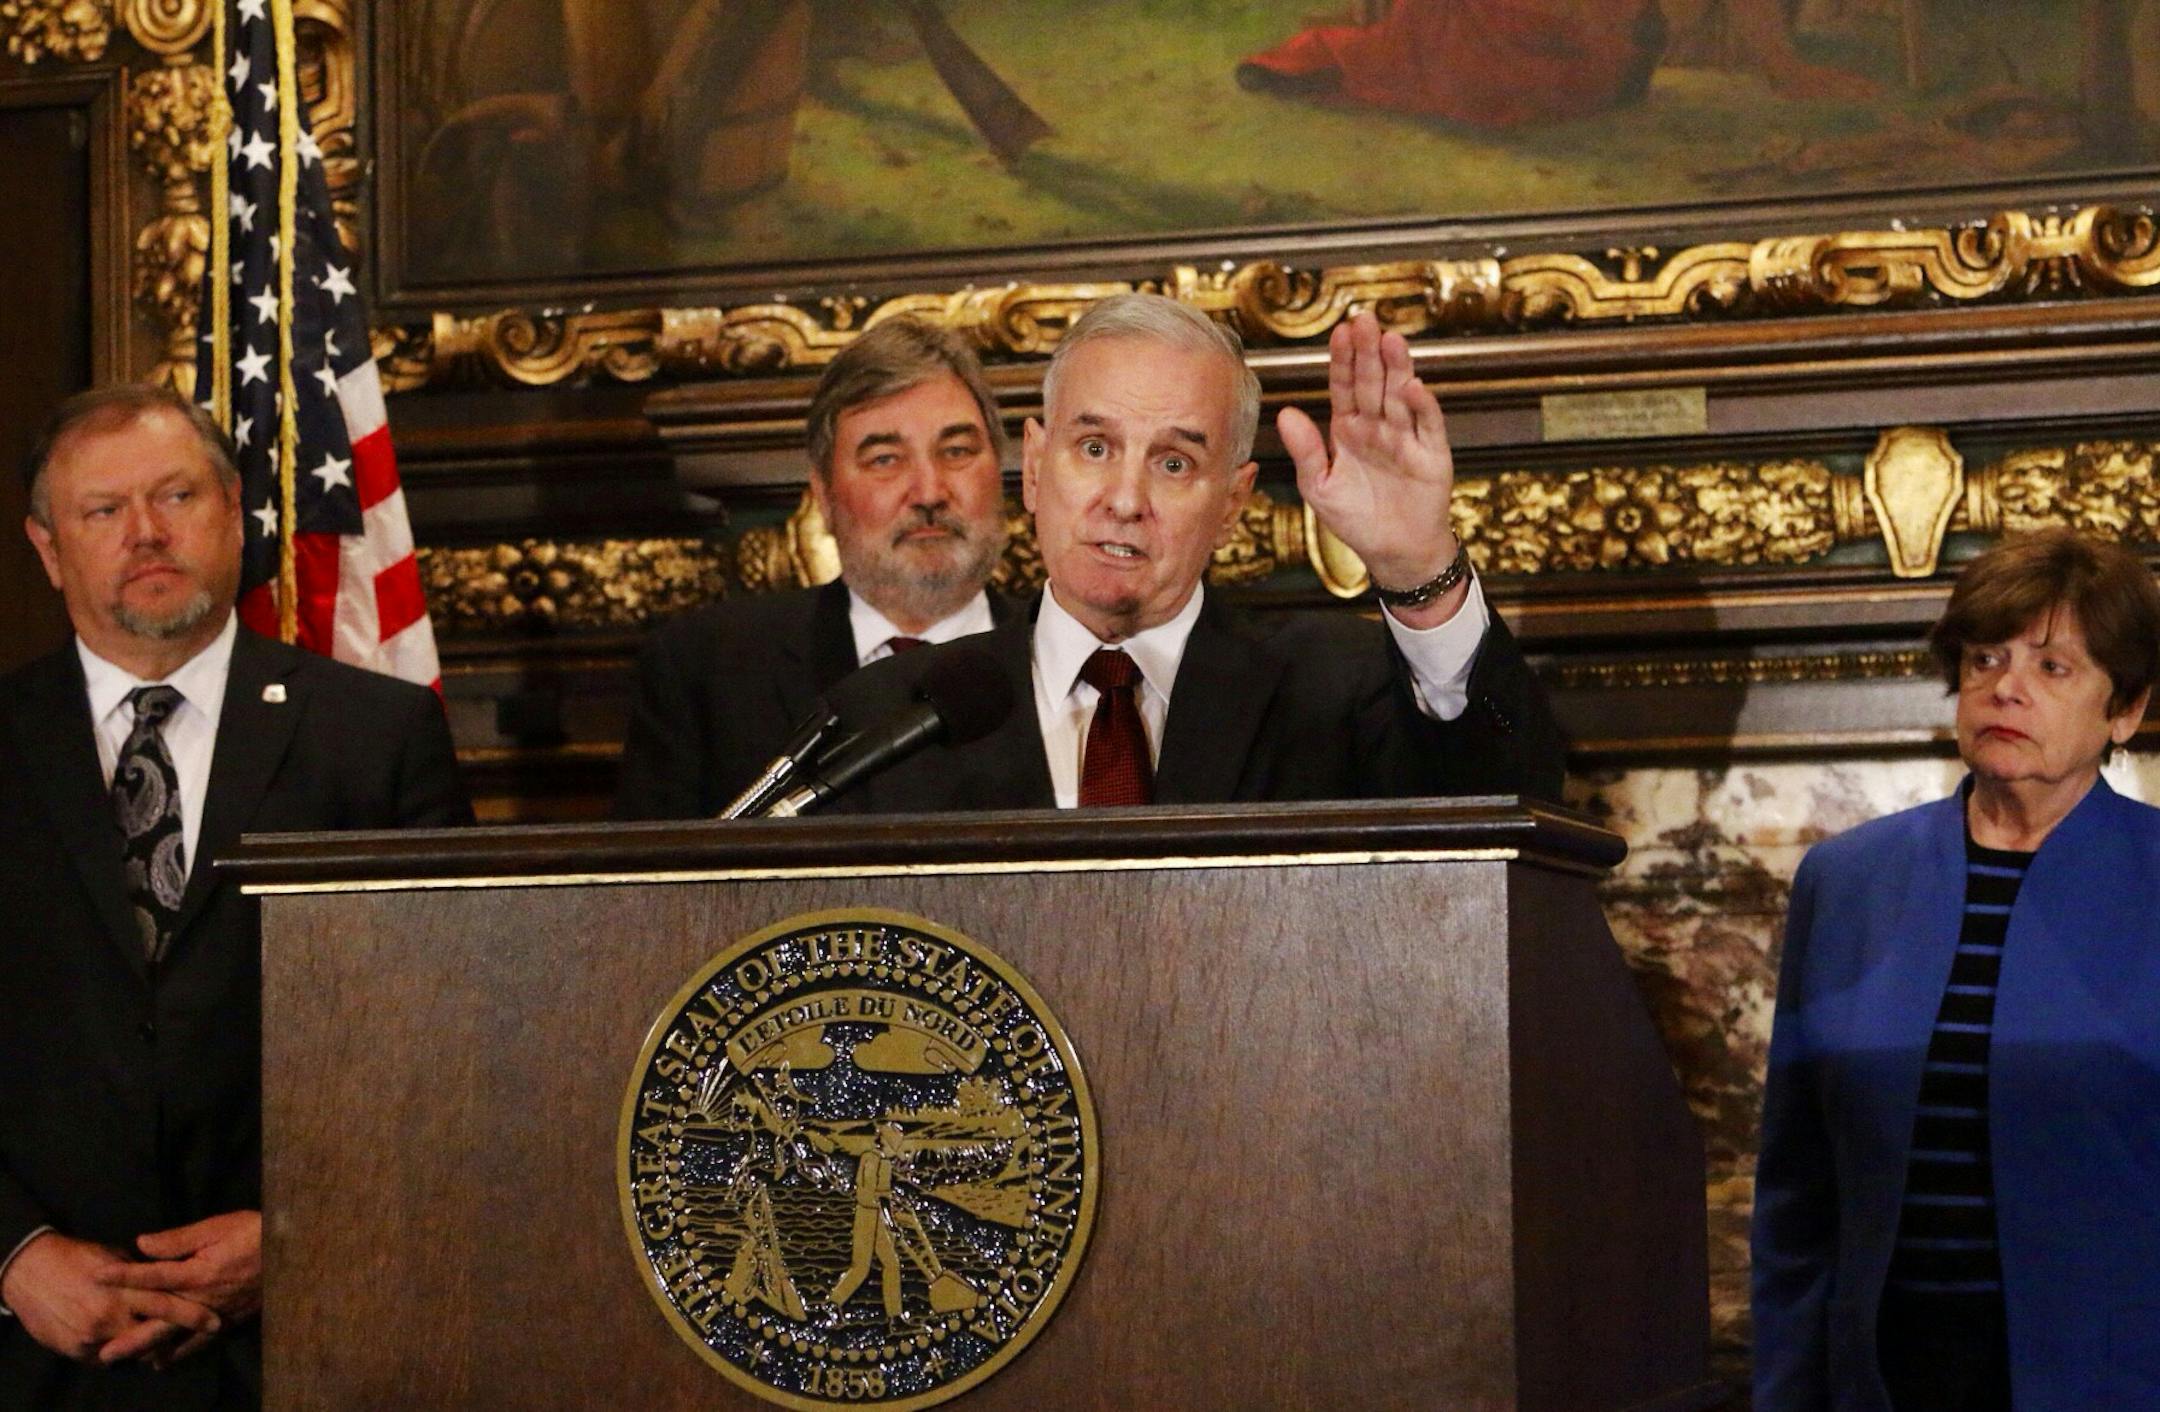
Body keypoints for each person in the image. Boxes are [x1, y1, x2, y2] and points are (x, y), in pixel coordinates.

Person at [0, 385, 471, 1408]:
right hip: (31, 1349)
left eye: (176, 495)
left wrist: (303, 1230)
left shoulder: (376, 735)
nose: (146, 532)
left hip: (312, 1339)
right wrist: (14, 1255)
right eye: (103, 510)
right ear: (48, 547)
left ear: (234, 512)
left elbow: (450, 1036)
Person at [813, 291, 1564, 811]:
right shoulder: (893, 714)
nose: (1125, 498)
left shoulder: (1332, 691)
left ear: (1231, 503)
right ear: (1035, 468)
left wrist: (1419, 571)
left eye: (1174, 463)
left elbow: (1511, 804)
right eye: (1095, 446)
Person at [1753, 528, 2160, 1411]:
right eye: (1985, 658)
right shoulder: (1848, 880)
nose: (2006, 686)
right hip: (1882, 1379)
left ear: (2122, 710)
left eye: (2053, 668)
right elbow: (1797, 1195)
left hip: (2110, 1382)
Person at [615, 317, 1021, 818]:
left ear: (1000, 474)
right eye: (884, 459)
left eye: (956, 451)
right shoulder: (707, 673)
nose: (930, 493)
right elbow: (651, 889)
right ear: (824, 497)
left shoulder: (1068, 658)